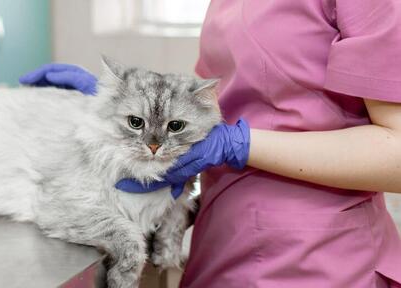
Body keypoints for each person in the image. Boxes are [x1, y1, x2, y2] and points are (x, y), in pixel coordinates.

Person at [20, 0, 401, 286]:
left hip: (317, 260)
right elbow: (219, 93)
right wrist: (118, 100)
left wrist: (240, 145)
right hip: (221, 236)